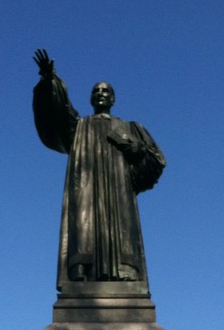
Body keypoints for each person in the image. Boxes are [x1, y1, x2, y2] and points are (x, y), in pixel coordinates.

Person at [32, 49, 165, 289]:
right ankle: (83, 271)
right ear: (91, 98)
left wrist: (131, 147)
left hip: (118, 189)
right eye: (96, 91)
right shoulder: (79, 126)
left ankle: (124, 272)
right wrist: (49, 81)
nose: (101, 94)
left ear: (113, 99)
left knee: (122, 229)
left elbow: (156, 159)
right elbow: (60, 111)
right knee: (84, 226)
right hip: (86, 187)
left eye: (105, 91)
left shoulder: (130, 127)